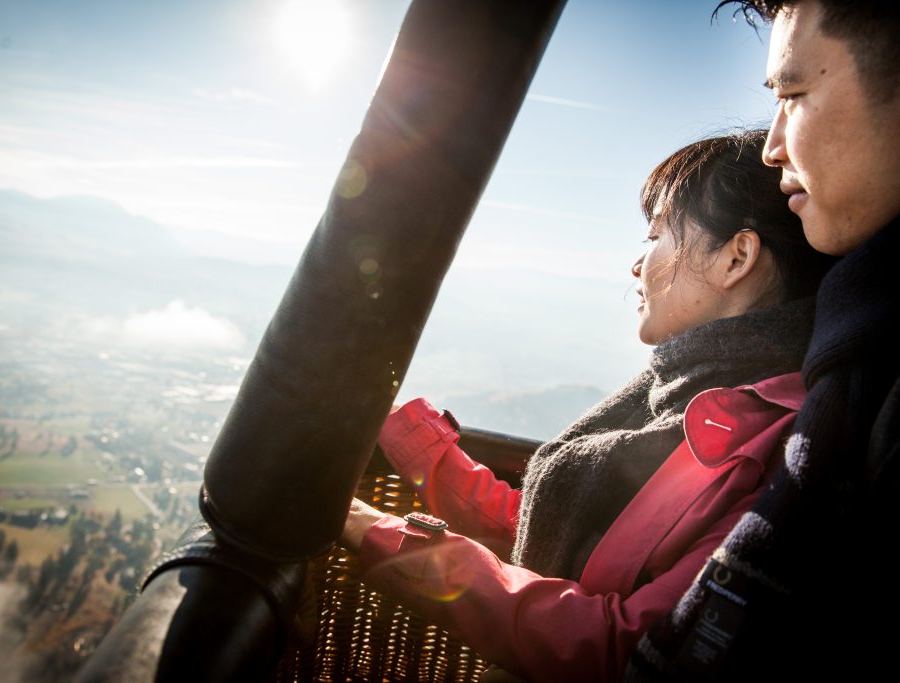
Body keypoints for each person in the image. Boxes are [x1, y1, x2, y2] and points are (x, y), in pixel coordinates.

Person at [339, 130, 835, 682]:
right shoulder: (681, 398)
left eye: (656, 235)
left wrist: (378, 534)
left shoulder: (779, 456)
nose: (636, 265)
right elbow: (548, 532)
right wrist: (415, 444)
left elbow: (618, 643)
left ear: (736, 258)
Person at [625, 2, 900, 680]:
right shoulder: (858, 355)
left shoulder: (762, 420)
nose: (773, 143)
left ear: (738, 258)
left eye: (794, 95)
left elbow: (612, 628)